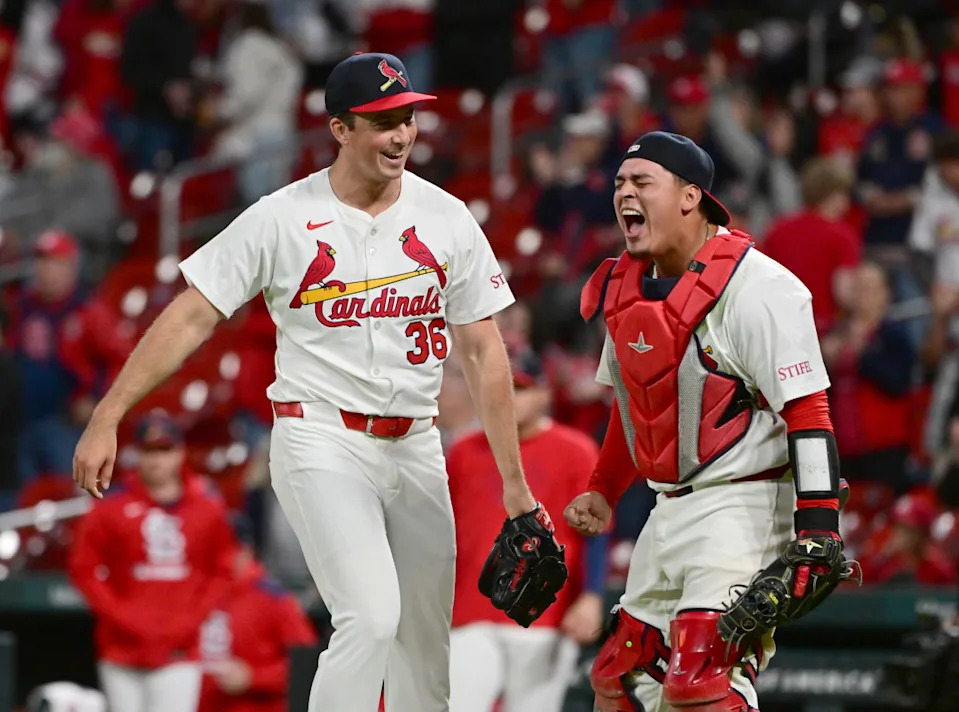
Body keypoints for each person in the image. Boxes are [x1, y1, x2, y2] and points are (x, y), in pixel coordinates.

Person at [73, 52, 551, 712]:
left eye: (407, 117)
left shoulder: (446, 217)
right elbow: (190, 315)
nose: (401, 135)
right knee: (372, 617)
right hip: (321, 437)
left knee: (423, 650)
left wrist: (514, 482)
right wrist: (110, 413)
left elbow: (483, 352)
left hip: (415, 444)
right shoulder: (282, 216)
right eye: (382, 121)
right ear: (339, 129)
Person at [564, 131, 847, 711]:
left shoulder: (759, 286)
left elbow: (808, 411)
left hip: (743, 503)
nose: (625, 194)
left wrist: (819, 526)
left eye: (642, 182)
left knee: (701, 680)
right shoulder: (623, 287)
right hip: (669, 506)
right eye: (620, 183)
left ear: (690, 196)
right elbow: (633, 400)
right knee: (619, 679)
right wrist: (602, 487)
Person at [447, 349, 606, 712]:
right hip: (469, 614)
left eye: (520, 387)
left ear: (545, 394)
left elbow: (595, 531)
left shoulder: (576, 450)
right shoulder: (462, 452)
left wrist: (592, 596)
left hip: (544, 615)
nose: (508, 396)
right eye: (502, 387)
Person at [68, 410, 237, 712]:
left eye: (165, 449)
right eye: (149, 451)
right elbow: (84, 569)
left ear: (180, 452)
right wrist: (120, 615)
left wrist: (190, 620)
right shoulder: (111, 507)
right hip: (121, 646)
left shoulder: (207, 509)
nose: (156, 460)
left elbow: (223, 572)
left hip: (179, 648)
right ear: (136, 454)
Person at [197, 519, 319, 712]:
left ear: (245, 552)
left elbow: (306, 666)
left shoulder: (273, 601)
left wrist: (253, 677)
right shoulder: (192, 594)